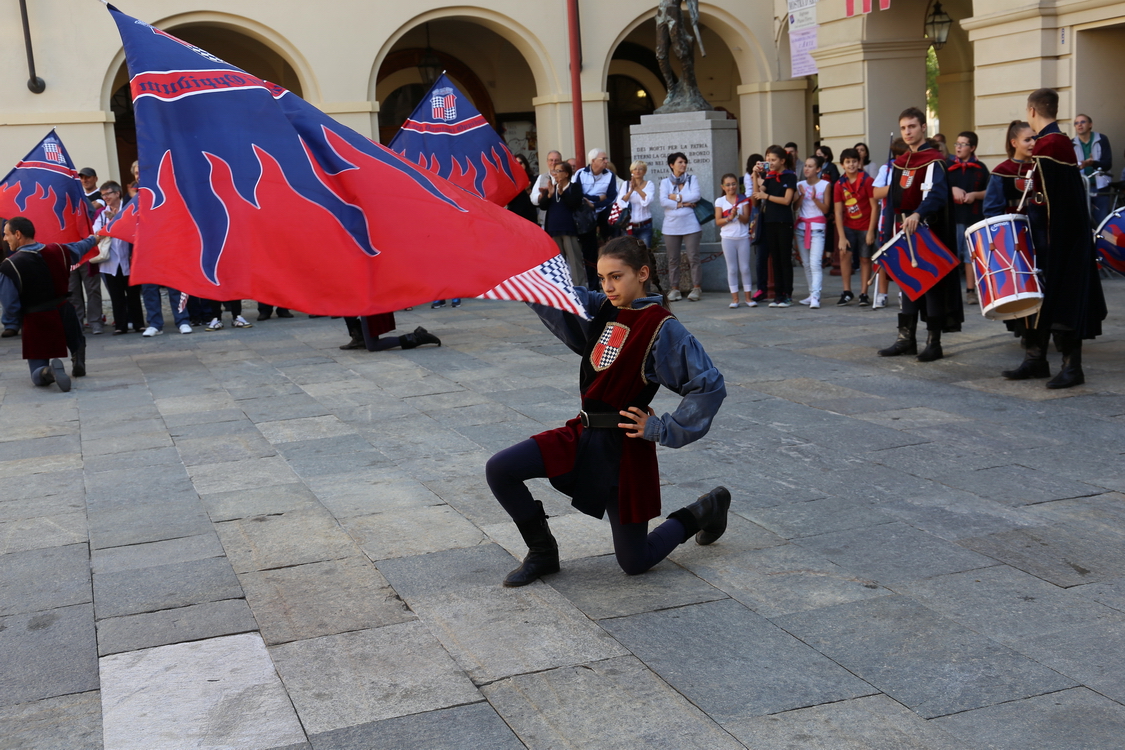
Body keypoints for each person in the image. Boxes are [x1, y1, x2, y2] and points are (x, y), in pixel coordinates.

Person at [484, 235, 728, 586]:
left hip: (624, 449)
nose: (608, 285)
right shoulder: (602, 308)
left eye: (617, 276)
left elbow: (708, 385)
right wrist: (509, 260)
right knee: (501, 469)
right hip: (582, 434)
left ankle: (704, 510)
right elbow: (559, 297)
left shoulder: (662, 328)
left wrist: (660, 429)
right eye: (602, 278)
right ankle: (542, 552)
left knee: (635, 561)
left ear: (642, 273)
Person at [999, 89, 1107, 388]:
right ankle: (1036, 360)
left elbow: (1045, 201)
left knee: (1062, 301)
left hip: (1057, 240)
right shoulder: (1059, 143)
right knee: (1040, 301)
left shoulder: (1050, 145)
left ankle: (1072, 368)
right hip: (1056, 238)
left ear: (1032, 111)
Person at [877, 107, 962, 362]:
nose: (908, 132)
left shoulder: (935, 160)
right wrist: (887, 233)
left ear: (923, 128)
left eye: (912, 127)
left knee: (931, 285)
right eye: (903, 128)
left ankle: (933, 342)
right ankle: (906, 339)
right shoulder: (900, 163)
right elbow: (892, 200)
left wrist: (918, 214)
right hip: (903, 232)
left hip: (929, 231)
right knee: (906, 284)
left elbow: (937, 194)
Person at [1, 217, 96, 389]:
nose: (4, 239)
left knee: (37, 374)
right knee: (74, 334)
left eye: (6, 235)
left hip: (36, 318)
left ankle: (48, 372)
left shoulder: (9, 266)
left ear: (18, 234)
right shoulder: (59, 250)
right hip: (64, 309)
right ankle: (77, 353)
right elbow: (81, 247)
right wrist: (96, 237)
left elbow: (10, 305)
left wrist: (18, 321)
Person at [93, 181, 144, 335]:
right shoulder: (102, 214)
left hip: (129, 259)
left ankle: (138, 323)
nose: (105, 197)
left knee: (133, 293)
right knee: (116, 295)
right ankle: (120, 325)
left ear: (117, 193)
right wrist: (110, 222)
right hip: (110, 261)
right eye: (103, 195)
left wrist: (116, 219)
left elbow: (136, 228)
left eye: (108, 193)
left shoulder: (129, 208)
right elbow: (97, 234)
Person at [751, 145, 797, 308]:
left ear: (782, 161)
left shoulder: (790, 176)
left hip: (784, 221)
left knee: (784, 258)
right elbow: (757, 197)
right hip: (769, 221)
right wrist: (755, 177)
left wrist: (767, 196)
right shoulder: (769, 176)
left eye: (773, 160)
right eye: (768, 159)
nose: (769, 162)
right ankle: (778, 295)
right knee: (775, 259)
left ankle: (787, 294)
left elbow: (787, 200)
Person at [949, 132, 990, 305]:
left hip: (973, 217)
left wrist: (975, 195)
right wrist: (953, 190)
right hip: (953, 217)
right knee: (951, 254)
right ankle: (950, 290)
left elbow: (990, 192)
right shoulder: (947, 166)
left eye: (963, 144)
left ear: (972, 148)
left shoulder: (980, 168)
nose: (958, 147)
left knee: (970, 255)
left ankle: (971, 290)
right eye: (957, 143)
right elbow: (938, 186)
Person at [834, 148, 877, 307]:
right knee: (845, 255)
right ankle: (847, 291)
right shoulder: (839, 184)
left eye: (854, 161)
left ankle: (864, 293)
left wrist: (871, 230)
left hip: (866, 226)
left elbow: (874, 207)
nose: (851, 165)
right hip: (848, 226)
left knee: (865, 259)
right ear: (842, 165)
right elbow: (838, 212)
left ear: (859, 163)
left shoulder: (867, 180)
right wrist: (841, 237)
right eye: (847, 162)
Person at [659, 151, 704, 301]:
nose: (683, 165)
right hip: (671, 226)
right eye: (680, 162)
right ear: (672, 165)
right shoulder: (665, 182)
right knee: (673, 259)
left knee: (693, 257)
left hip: (691, 224)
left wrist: (676, 198)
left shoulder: (692, 179)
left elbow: (696, 196)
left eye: (685, 162)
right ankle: (675, 289)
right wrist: (683, 204)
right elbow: (663, 201)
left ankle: (696, 288)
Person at [871, 138, 908, 309]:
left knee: (904, 258)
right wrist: (894, 185)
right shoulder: (886, 169)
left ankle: (904, 293)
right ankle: (882, 294)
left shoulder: (913, 169)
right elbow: (876, 192)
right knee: (884, 258)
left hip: (905, 221)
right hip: (887, 220)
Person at [68, 167, 105, 335]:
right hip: (71, 248)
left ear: (95, 178)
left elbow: (90, 209)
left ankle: (95, 321)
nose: (84, 180)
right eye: (81, 178)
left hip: (89, 249)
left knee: (92, 289)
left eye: (87, 177)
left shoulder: (101, 196)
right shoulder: (73, 198)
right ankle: (77, 323)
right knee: (72, 289)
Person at [576, 149, 618, 286]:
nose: (606, 161)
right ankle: (593, 286)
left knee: (609, 248)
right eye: (603, 159)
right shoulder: (580, 174)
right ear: (593, 161)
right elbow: (578, 195)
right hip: (586, 216)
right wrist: (599, 198)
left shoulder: (610, 175)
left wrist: (595, 204)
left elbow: (611, 197)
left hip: (603, 213)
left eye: (606, 158)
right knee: (589, 251)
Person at [795, 156, 830, 309]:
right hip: (801, 228)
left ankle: (816, 295)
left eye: (810, 166)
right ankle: (811, 293)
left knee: (815, 263)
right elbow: (795, 207)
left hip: (817, 228)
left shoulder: (825, 185)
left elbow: (826, 210)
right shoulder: (799, 185)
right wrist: (802, 195)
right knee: (806, 264)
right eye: (806, 166)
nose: (806, 168)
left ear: (818, 169)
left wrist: (815, 199)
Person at [543, 161, 585, 286]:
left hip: (569, 229)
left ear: (566, 174)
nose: (555, 174)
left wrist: (563, 194)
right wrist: (549, 195)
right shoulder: (552, 187)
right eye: (554, 171)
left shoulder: (574, 187)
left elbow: (575, 204)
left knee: (574, 260)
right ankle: (560, 288)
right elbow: (543, 206)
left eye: (558, 171)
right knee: (557, 262)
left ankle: (580, 288)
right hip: (553, 229)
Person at [714, 173, 753, 308]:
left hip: (742, 237)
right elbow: (718, 221)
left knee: (745, 268)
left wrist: (738, 215)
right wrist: (729, 218)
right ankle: (735, 299)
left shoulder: (743, 200)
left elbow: (747, 219)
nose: (731, 187)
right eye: (728, 185)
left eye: (733, 184)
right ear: (723, 187)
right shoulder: (720, 201)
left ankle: (748, 298)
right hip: (727, 238)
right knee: (732, 269)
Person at [1072, 114, 1113, 227]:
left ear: (1090, 125)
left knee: (1102, 221)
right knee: (1082, 221)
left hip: (1100, 186)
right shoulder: (1071, 143)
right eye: (1076, 123)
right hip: (1081, 186)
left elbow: (1108, 164)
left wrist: (1092, 163)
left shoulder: (1102, 139)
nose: (1079, 125)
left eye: (1083, 122)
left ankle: (1101, 244)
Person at [339, 314, 440, 351]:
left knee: (373, 346)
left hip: (371, 301)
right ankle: (359, 338)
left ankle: (418, 337)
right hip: (369, 299)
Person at [743, 153, 767, 302]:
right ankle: (761, 287)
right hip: (757, 211)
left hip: (772, 213)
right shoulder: (750, 175)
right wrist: (755, 176)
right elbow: (753, 195)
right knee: (759, 251)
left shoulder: (771, 175)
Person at [615, 161, 655, 248]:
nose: (637, 171)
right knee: (631, 253)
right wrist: (630, 191)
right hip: (629, 225)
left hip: (645, 225)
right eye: (635, 169)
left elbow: (648, 200)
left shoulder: (649, 184)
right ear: (631, 171)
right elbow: (621, 202)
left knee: (645, 251)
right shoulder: (626, 185)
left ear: (644, 171)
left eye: (640, 169)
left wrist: (637, 189)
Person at [531, 150, 563, 223]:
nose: (553, 163)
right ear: (547, 162)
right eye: (551, 160)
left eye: (556, 160)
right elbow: (533, 199)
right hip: (545, 219)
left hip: (562, 218)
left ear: (561, 161)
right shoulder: (541, 177)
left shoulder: (567, 177)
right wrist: (542, 195)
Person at [507, 154, 539, 225]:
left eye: (520, 163)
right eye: (516, 163)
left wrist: (528, 191)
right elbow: (508, 199)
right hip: (514, 215)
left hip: (529, 215)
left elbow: (537, 200)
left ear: (525, 164)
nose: (518, 165)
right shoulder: (510, 180)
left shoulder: (533, 179)